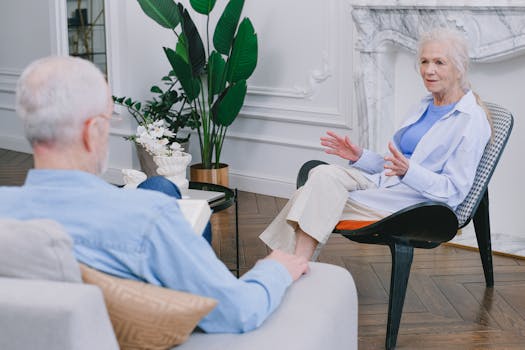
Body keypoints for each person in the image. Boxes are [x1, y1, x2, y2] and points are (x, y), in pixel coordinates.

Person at [0, 56, 308, 333]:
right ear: (92, 131)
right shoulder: (145, 218)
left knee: (161, 188)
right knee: (163, 195)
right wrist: (274, 269)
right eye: (109, 120)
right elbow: (239, 311)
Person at [260, 28, 492, 260]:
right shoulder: (424, 105)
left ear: (459, 68)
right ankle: (292, 267)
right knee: (320, 174)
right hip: (383, 183)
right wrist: (360, 156)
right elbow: (393, 164)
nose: (429, 70)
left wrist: (410, 172)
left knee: (311, 194)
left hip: (413, 205)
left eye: (439, 62)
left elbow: (453, 192)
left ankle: (286, 267)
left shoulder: (471, 120)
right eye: (424, 61)